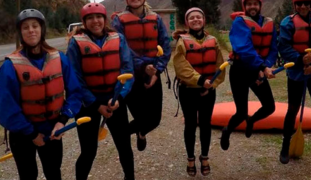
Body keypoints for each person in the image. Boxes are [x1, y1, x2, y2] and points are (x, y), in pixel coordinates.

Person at [0, 9, 82, 180]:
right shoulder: (9, 67)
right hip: (23, 134)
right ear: (20, 33)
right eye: (25, 27)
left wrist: (62, 121)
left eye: (35, 26)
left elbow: (75, 93)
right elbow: (8, 109)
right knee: (28, 175)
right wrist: (32, 134)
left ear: (42, 29)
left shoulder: (60, 59)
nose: (31, 30)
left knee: (53, 173)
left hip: (52, 129)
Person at [66, 3, 135, 180]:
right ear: (84, 21)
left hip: (115, 99)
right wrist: (96, 105)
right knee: (88, 151)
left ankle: (130, 177)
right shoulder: (76, 43)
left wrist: (119, 97)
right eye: (90, 18)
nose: (95, 21)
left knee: (124, 146)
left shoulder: (118, 38)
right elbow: (75, 78)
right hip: (88, 104)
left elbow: (128, 70)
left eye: (99, 17)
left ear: (104, 19)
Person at [172, 7, 225, 177]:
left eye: (198, 17)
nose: (196, 20)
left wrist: (212, 84)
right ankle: (190, 158)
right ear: (187, 22)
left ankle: (205, 157)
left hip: (208, 90)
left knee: (205, 124)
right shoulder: (182, 41)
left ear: (204, 20)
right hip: (188, 90)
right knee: (190, 125)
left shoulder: (213, 40)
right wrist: (201, 81)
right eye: (192, 18)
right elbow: (181, 66)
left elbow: (220, 66)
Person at [112, 0, 171, 151]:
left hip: (152, 73)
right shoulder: (119, 20)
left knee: (154, 120)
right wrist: (143, 66)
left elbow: (165, 45)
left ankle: (140, 132)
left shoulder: (156, 19)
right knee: (140, 116)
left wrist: (157, 70)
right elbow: (121, 47)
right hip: (131, 75)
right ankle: (122, 135)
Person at [278, 0, 311, 164]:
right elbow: (283, 46)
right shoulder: (287, 23)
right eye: (299, 3)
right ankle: (285, 145)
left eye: (306, 3)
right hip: (296, 71)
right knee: (292, 109)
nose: (302, 6)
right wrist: (301, 60)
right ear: (294, 5)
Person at [220, 0, 277, 150]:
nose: (252, 6)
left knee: (270, 107)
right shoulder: (239, 22)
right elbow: (243, 48)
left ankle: (251, 121)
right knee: (241, 113)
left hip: (258, 70)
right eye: (249, 4)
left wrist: (267, 65)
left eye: (255, 4)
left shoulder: (269, 23)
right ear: (244, 6)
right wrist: (262, 66)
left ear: (260, 6)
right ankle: (227, 130)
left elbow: (272, 48)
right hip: (239, 70)